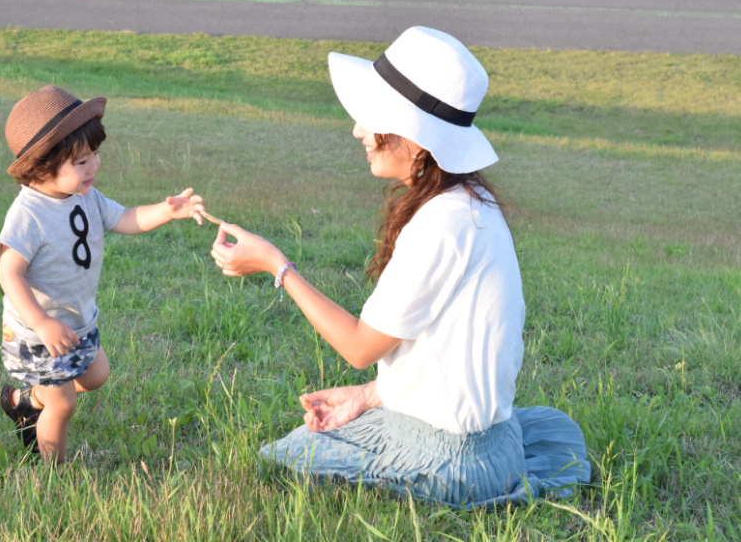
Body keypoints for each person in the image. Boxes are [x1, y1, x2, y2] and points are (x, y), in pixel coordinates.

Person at [210, 27, 590, 507]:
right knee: (551, 430)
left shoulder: (440, 225)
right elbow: (441, 352)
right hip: (495, 440)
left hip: (451, 459)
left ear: (417, 138)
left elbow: (359, 346)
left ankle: (457, 482)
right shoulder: (474, 203)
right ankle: (488, 465)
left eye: (371, 118)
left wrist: (275, 264)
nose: (357, 131)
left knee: (286, 455)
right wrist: (367, 397)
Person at [0, 85, 206, 463]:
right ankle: (51, 474)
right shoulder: (29, 214)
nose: (94, 166)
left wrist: (166, 210)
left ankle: (27, 401)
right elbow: (9, 274)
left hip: (77, 321)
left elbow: (125, 219)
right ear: (42, 165)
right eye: (81, 161)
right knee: (63, 407)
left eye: (95, 154)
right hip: (40, 332)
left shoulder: (85, 195)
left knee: (96, 376)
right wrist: (42, 323)